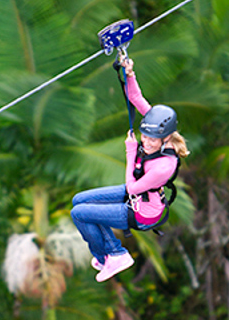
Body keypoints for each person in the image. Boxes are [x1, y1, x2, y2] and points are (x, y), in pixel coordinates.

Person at [71, 57, 190, 282]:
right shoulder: (157, 124)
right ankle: (109, 254)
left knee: (79, 214)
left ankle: (114, 254)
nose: (146, 141)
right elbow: (135, 97)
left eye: (152, 139)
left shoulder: (164, 166)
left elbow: (132, 188)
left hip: (143, 212)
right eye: (144, 135)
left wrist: (130, 151)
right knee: (79, 200)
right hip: (137, 196)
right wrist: (130, 73)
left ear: (165, 137)